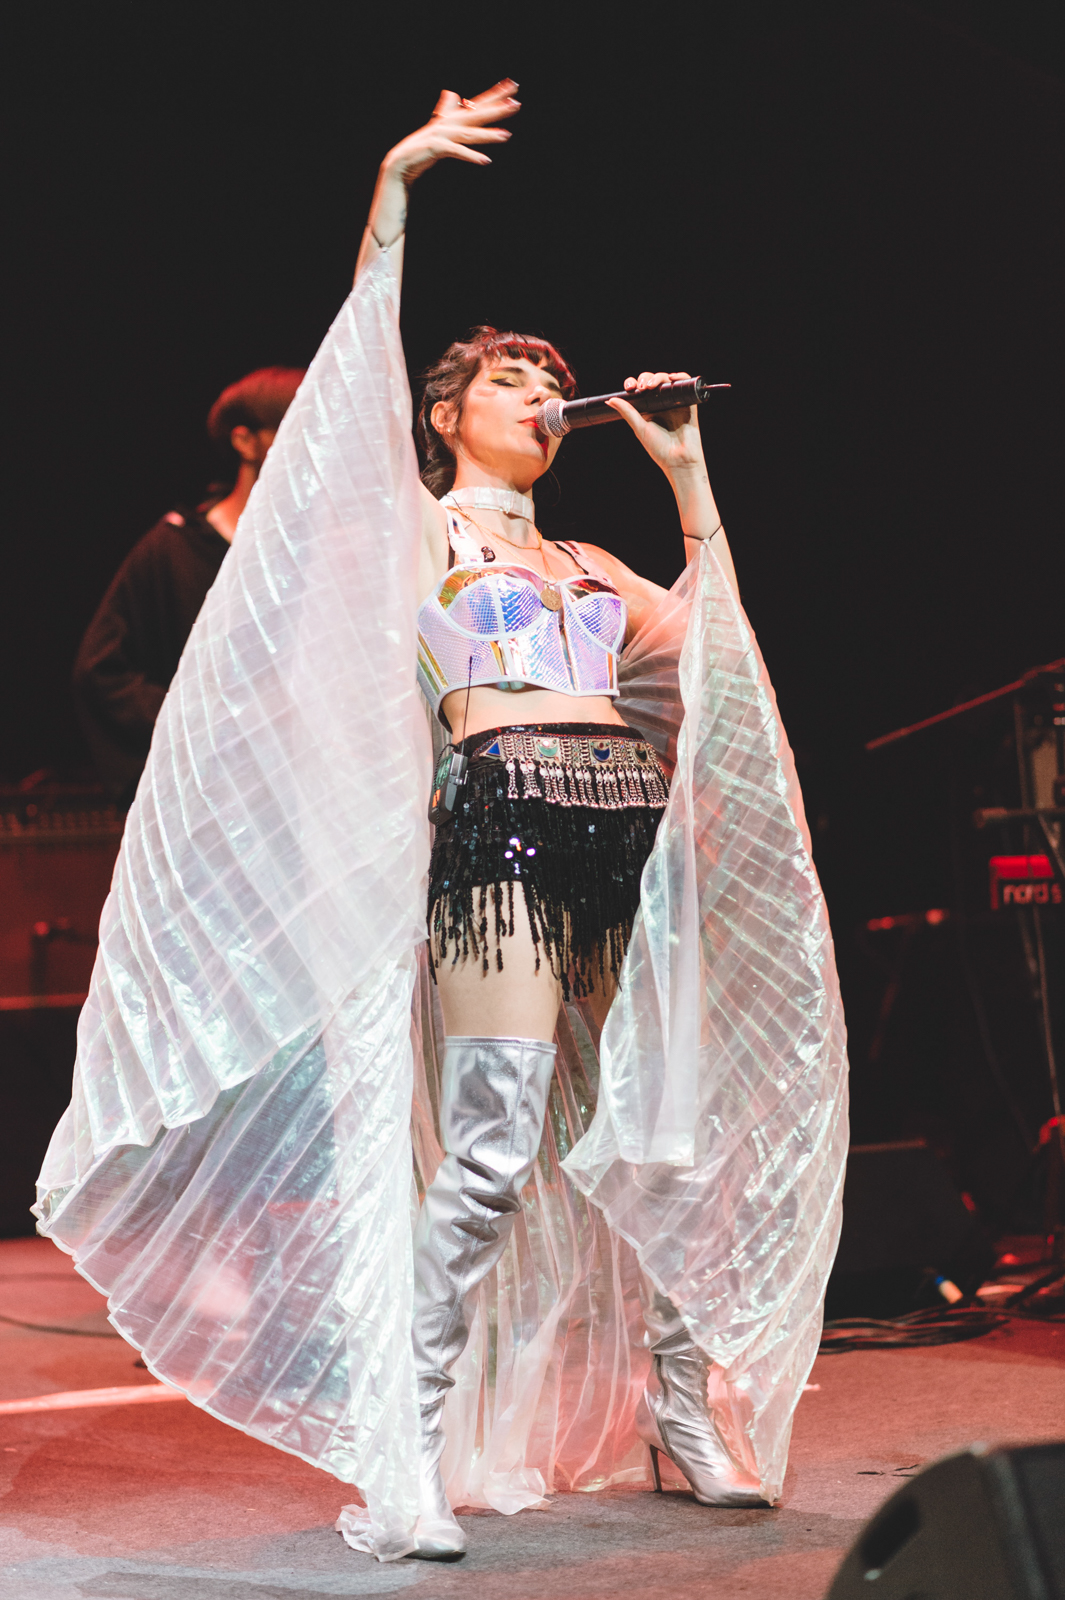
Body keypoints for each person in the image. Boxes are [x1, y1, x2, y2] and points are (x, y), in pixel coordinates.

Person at [35, 83, 848, 1565]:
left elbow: (714, 663)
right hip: (499, 860)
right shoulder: (415, 530)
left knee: (651, 1144)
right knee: (482, 1154)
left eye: (555, 383)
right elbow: (348, 392)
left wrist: (688, 481)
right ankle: (401, 1452)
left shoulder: (594, 561)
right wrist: (394, 193)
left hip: (620, 857)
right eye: (510, 382)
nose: (543, 398)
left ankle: (680, 1411)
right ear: (447, 414)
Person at [72, 366, 305, 805]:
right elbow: (101, 672)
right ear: (245, 440)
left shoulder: (317, 550)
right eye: (290, 428)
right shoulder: (175, 548)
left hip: (295, 794)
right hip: (206, 797)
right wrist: (196, 718)